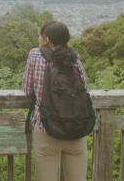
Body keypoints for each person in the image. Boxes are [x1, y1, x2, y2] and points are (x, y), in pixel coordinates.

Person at [22, 21, 89, 181]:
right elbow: (84, 86)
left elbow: (27, 89)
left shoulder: (35, 55)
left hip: (46, 128)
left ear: (46, 39)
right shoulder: (74, 57)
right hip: (75, 129)